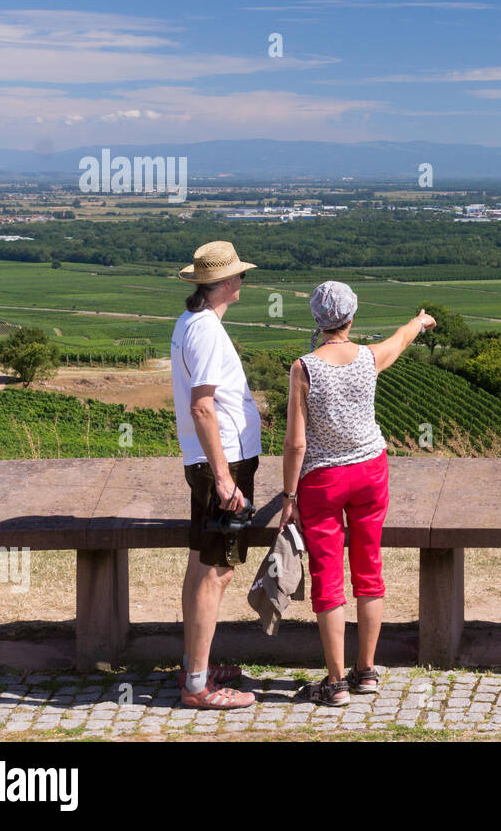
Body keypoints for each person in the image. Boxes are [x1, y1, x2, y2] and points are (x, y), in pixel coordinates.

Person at [280, 281, 435, 706]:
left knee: (327, 575)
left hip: (322, 481)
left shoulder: (304, 367)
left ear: (317, 318)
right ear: (351, 317)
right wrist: (420, 321)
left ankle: (335, 683)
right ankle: (366, 671)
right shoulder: (368, 358)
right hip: (371, 471)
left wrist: (288, 497)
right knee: (369, 566)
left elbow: (295, 444)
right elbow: (401, 340)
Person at [170, 241, 262, 710]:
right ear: (226, 284)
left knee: (200, 566)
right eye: (239, 276)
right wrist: (226, 479)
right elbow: (203, 404)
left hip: (206, 460)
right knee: (217, 571)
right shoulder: (206, 330)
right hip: (221, 462)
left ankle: (194, 665)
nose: (243, 282)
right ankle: (198, 687)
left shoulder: (191, 322)